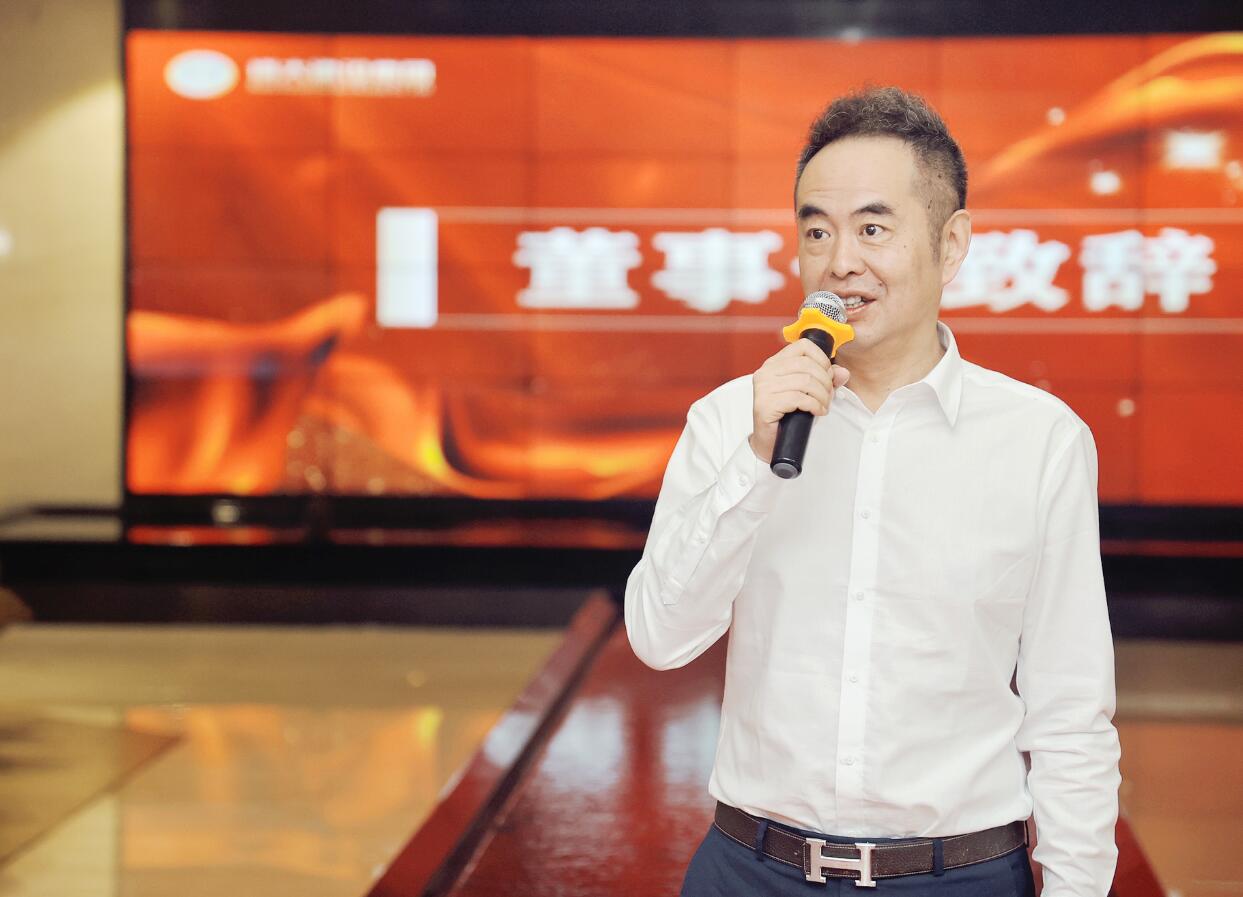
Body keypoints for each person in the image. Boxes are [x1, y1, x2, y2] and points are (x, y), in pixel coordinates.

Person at [624, 86, 1121, 896]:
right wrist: (754, 460)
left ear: (950, 244)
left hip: (959, 875)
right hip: (749, 869)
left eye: (872, 228)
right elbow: (659, 635)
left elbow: (1070, 710)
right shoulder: (731, 419)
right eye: (816, 230)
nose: (838, 261)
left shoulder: (1040, 440)